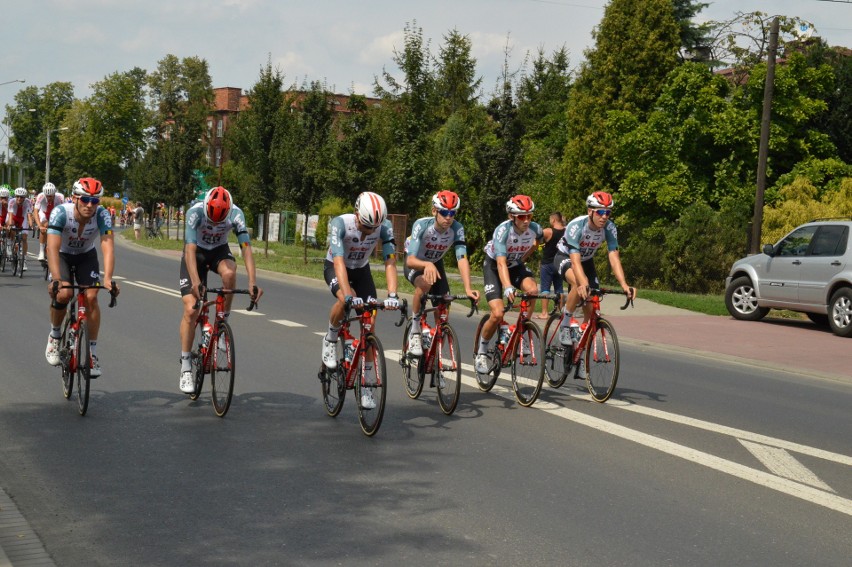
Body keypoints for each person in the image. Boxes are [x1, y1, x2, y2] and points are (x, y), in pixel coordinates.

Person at [178, 186, 263, 394]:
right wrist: (196, 281)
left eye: (219, 222)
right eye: (212, 220)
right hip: (195, 253)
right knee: (191, 309)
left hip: (218, 251)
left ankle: (222, 321)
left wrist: (252, 281)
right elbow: (189, 249)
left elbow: (246, 249)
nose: (215, 225)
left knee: (230, 274)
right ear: (206, 206)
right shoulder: (194, 212)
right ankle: (186, 365)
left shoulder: (236, 214)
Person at [320, 191, 399, 410]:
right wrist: (347, 295)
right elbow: (337, 261)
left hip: (361, 270)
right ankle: (330, 337)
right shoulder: (341, 223)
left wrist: (392, 294)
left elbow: (390, 261)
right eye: (366, 226)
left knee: (369, 326)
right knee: (346, 300)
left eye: (375, 228)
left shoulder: (384, 226)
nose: (370, 232)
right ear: (356, 215)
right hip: (337, 267)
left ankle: (366, 386)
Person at [553, 191, 635, 377]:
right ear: (590, 211)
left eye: (608, 212)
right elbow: (574, 260)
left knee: (591, 313)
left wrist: (624, 284)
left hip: (587, 260)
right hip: (565, 257)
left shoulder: (610, 228)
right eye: (600, 212)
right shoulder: (576, 226)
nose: (604, 216)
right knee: (579, 284)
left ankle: (580, 355)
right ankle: (565, 323)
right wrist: (582, 283)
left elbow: (614, 257)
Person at [44, 178, 118, 378]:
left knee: (92, 296)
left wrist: (108, 278)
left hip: (86, 255)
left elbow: (107, 246)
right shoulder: (61, 213)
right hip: (63, 255)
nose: (89, 205)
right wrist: (56, 278)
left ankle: (92, 354)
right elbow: (52, 247)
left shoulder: (102, 215)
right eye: (85, 199)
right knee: (64, 294)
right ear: (75, 198)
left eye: (95, 201)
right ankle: (55, 335)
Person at [404, 190, 480, 356]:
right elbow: (410, 260)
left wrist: (468, 288)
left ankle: (436, 359)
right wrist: (425, 265)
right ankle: (415, 331)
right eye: (444, 213)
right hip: (416, 261)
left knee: (444, 309)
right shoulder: (422, 225)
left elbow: (461, 258)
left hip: (435, 263)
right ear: (434, 211)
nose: (448, 217)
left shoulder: (457, 228)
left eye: (452, 213)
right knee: (425, 284)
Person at [474, 195, 544, 374]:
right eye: (522, 216)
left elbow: (545, 238)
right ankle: (482, 351)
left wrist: (525, 256)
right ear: (511, 216)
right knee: (497, 314)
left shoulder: (535, 229)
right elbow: (500, 263)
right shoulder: (503, 231)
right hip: (495, 266)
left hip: (515, 265)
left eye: (529, 216)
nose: (526, 220)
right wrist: (507, 286)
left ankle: (522, 330)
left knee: (533, 290)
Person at [537, 212, 566, 319]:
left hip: (547, 263)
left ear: (553, 220)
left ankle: (544, 313)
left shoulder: (548, 231)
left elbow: (537, 239)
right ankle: (560, 311)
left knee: (545, 288)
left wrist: (540, 245)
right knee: (559, 288)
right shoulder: (566, 231)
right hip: (560, 263)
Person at [34, 182, 65, 261]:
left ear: (54, 193)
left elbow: (64, 212)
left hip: (55, 214)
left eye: (50, 196)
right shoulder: (40, 196)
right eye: (47, 196)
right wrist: (39, 226)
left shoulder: (60, 197)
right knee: (44, 227)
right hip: (44, 213)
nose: (48, 198)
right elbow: (35, 212)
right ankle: (41, 251)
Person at [5, 187, 34, 271]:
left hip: (22, 218)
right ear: (15, 196)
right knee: (12, 227)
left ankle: (24, 260)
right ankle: (9, 244)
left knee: (24, 238)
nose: (19, 198)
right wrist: (10, 225)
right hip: (13, 217)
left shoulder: (28, 202)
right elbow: (10, 216)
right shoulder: (11, 201)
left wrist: (31, 225)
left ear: (24, 198)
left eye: (21, 197)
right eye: (17, 196)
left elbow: (29, 215)